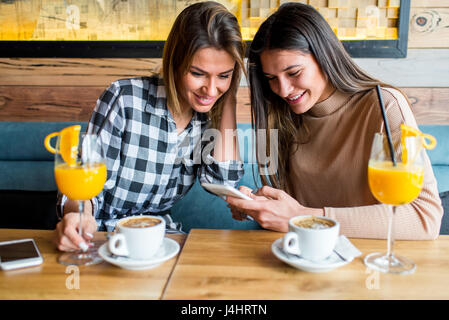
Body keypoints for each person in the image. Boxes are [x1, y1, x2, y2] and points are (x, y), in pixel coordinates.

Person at [226, 2, 443, 240]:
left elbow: (424, 217)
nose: (284, 89)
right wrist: (262, 207)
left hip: (370, 262)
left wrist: (303, 217)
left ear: (324, 56)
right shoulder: (283, 115)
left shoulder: (384, 106)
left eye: (294, 73)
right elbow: (297, 211)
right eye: (271, 78)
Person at [55, 1, 246, 252]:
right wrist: (78, 215)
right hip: (100, 237)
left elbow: (223, 180)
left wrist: (229, 95)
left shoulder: (209, 118)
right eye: (198, 73)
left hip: (160, 238)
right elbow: (86, 184)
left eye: (223, 75)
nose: (210, 90)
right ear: (176, 63)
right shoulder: (125, 98)